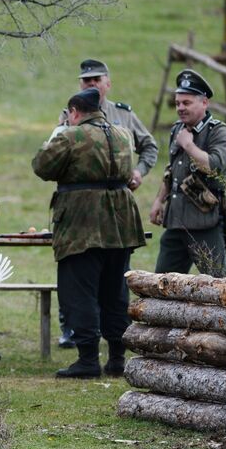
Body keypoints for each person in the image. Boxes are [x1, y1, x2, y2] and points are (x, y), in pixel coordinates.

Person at [33, 88, 146, 378]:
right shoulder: (122, 133)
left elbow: (42, 167)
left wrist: (57, 134)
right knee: (115, 292)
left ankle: (87, 359)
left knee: (79, 291)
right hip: (120, 222)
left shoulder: (70, 136)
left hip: (82, 224)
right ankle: (118, 357)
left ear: (74, 111)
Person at [55, 59, 158, 349]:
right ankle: (73, 331)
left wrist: (139, 172)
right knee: (79, 277)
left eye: (96, 79)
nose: (91, 84)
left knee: (112, 281)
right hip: (82, 213)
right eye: (86, 80)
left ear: (107, 82)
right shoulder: (69, 116)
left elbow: (149, 146)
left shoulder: (122, 115)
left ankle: (111, 346)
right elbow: (56, 155)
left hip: (116, 213)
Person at [150, 69, 226, 277]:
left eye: (186, 103)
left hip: (205, 222)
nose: (180, 108)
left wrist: (189, 146)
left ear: (204, 103)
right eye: (178, 103)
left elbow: (214, 167)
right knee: (162, 285)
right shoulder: (177, 129)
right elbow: (171, 171)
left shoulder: (219, 132)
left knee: (218, 288)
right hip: (176, 223)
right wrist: (158, 201)